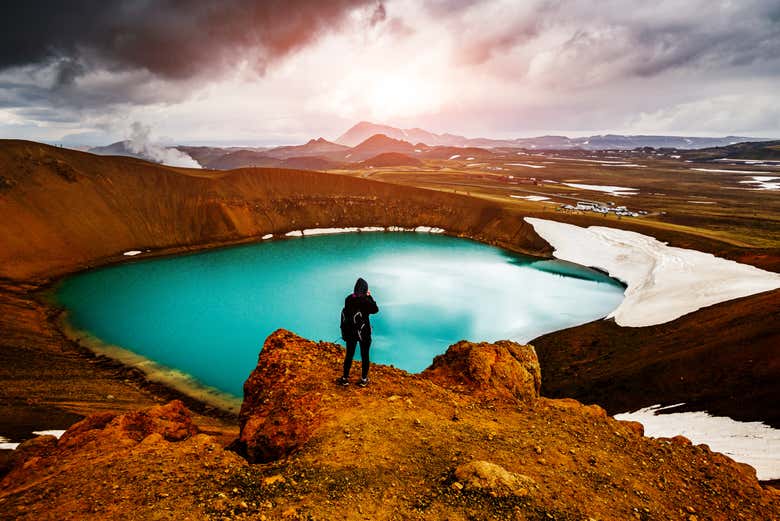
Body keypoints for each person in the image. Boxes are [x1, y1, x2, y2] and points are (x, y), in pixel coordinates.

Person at [339, 277, 378, 387]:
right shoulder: (366, 300)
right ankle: (364, 380)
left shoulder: (348, 299)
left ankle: (345, 378)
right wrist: (370, 296)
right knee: (365, 355)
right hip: (364, 332)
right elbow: (375, 309)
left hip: (351, 331)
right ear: (365, 289)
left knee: (349, 355)